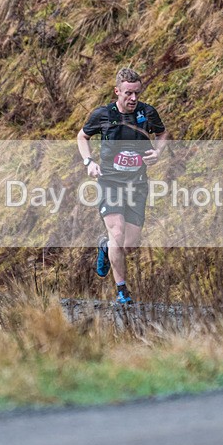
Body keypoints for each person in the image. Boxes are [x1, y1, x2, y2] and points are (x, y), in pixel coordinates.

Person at [77, 68, 169, 304]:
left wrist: (157, 152)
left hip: (137, 184)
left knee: (129, 245)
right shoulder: (103, 115)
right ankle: (121, 291)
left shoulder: (147, 113)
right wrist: (89, 162)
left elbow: (162, 133)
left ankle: (105, 246)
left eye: (137, 93)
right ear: (117, 91)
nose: (133, 98)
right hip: (109, 182)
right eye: (128, 93)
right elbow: (82, 137)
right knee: (117, 232)